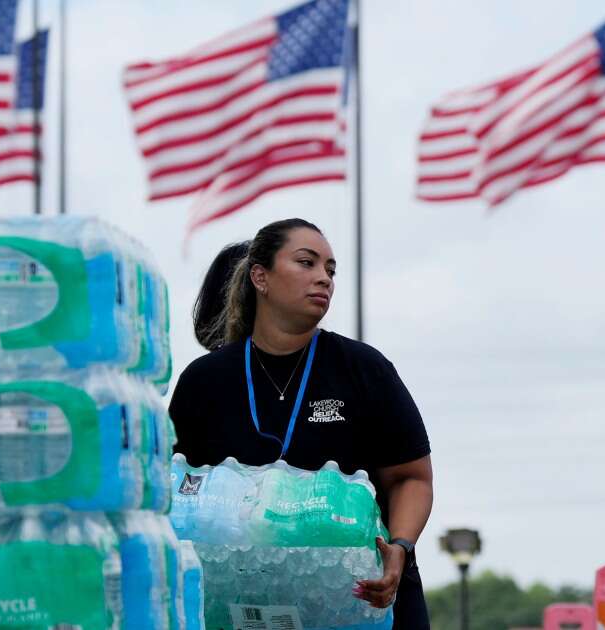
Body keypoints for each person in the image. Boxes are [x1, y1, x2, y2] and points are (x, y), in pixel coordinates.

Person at [169, 218, 433, 627]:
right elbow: (176, 491)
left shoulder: (364, 368)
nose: (323, 278)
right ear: (261, 277)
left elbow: (411, 478)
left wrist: (400, 546)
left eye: (330, 270)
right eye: (307, 263)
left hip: (363, 599)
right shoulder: (204, 381)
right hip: (244, 605)